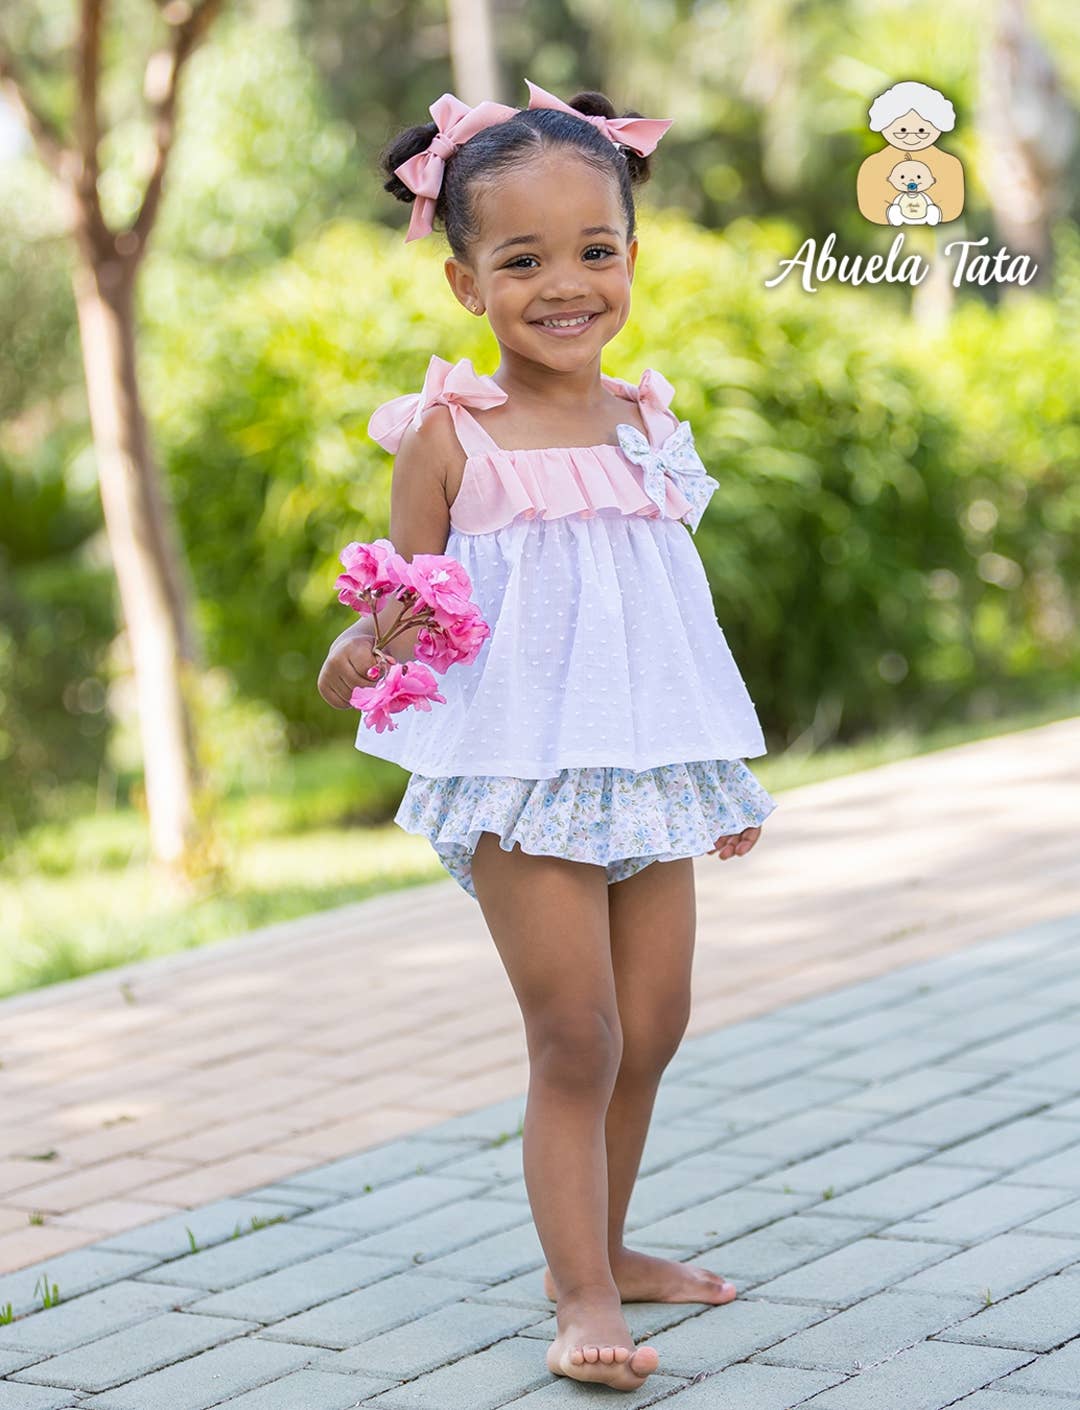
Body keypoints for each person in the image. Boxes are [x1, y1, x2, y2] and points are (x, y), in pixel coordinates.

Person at [317, 79, 778, 1392]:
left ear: (631, 255)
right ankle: (580, 1293)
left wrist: (712, 767)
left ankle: (611, 1245)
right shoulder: (449, 435)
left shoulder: (649, 421)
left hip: (645, 764)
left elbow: (665, 608)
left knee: (655, 1022)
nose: (566, 284)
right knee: (577, 1034)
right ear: (465, 282)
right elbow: (417, 594)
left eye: (595, 250)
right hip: (521, 771)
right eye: (522, 261)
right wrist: (366, 643)